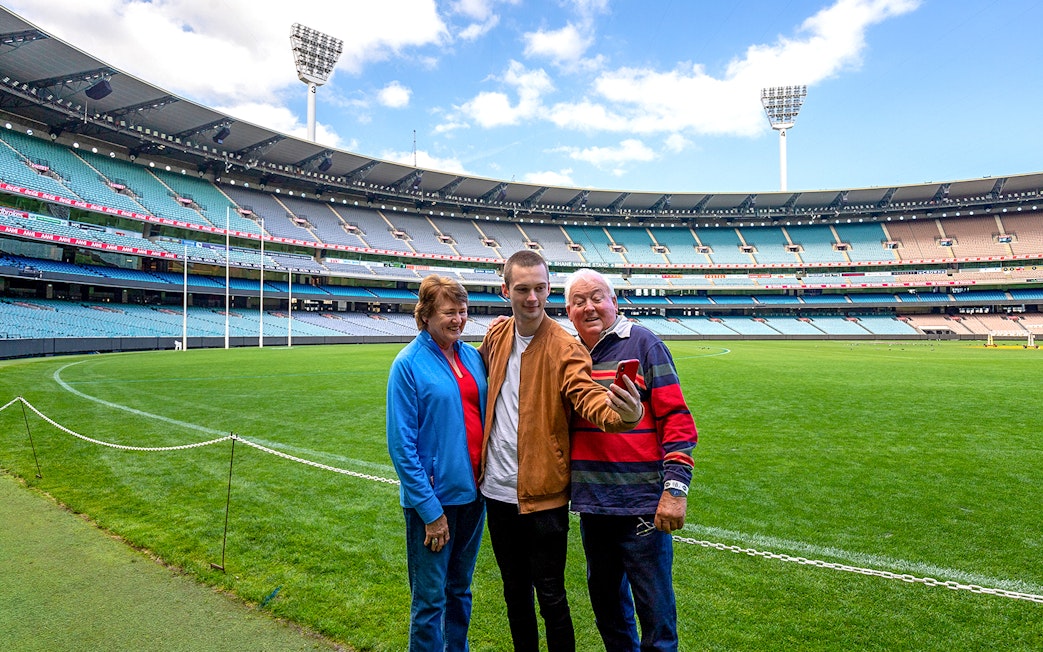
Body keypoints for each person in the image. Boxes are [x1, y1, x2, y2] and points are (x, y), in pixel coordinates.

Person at [479, 250, 644, 652]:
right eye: (522, 289)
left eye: (539, 288)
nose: (532, 298)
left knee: (551, 598)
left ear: (549, 289)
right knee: (514, 594)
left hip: (545, 497)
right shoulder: (496, 337)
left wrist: (620, 413)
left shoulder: (564, 346)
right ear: (506, 291)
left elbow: (585, 393)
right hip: (497, 494)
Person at [564, 268, 698, 652]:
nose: (589, 307)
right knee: (608, 612)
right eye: (578, 301)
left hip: (641, 506)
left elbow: (678, 421)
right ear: (568, 311)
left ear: (614, 303)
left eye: (597, 298)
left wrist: (675, 490)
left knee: (655, 616)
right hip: (594, 507)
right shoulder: (569, 354)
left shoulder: (643, 344)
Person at [387, 274, 488, 651]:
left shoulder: (471, 355)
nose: (458, 319)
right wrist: (430, 511)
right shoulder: (408, 364)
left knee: (460, 590)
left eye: (463, 312)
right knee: (430, 600)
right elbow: (402, 446)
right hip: (433, 504)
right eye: (449, 312)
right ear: (425, 315)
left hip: (474, 496)